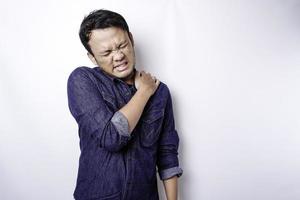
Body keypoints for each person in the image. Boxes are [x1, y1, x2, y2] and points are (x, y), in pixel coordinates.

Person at [67, 9, 183, 200]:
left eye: (122, 45)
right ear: (92, 57)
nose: (118, 56)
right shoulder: (82, 80)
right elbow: (112, 137)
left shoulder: (161, 92)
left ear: (131, 38)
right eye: (106, 52)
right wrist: (144, 92)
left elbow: (167, 153)